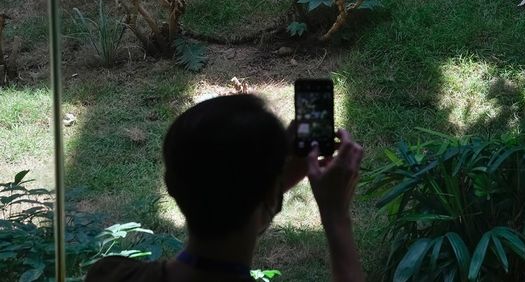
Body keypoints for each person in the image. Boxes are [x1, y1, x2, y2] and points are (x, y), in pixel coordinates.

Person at [85, 94, 364, 281]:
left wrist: (273, 185)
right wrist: (335, 216)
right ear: (268, 194)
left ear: (170, 185)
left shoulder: (109, 275)